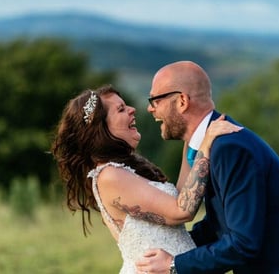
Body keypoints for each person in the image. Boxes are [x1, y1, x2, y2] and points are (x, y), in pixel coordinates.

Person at [136, 60, 279, 274]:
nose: (150, 108)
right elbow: (220, 223)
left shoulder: (228, 147)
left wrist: (173, 265)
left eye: (155, 100)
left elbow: (243, 243)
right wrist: (173, 246)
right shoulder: (212, 145)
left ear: (181, 101)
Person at [50, 84, 241, 273]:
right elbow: (182, 211)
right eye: (121, 109)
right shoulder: (109, 176)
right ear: (102, 128)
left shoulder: (125, 170)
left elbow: (180, 196)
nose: (132, 110)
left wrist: (190, 134)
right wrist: (206, 146)